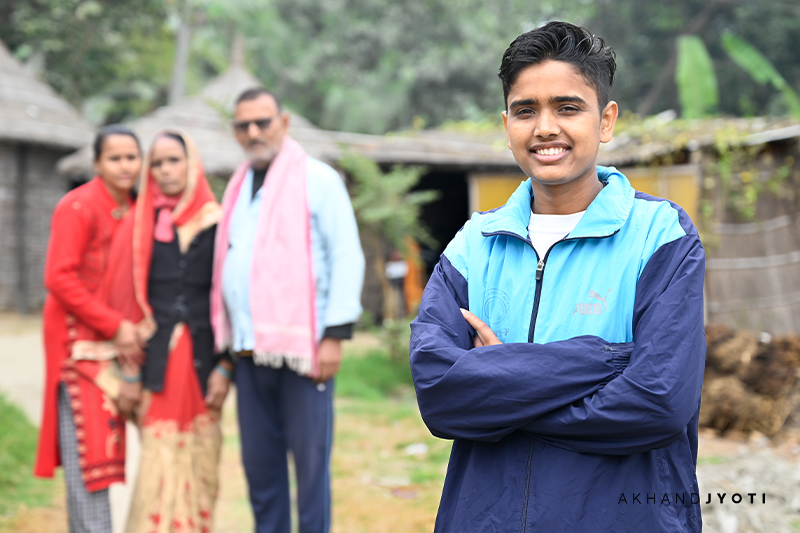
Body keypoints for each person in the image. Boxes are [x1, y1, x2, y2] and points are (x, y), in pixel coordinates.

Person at [410, 21, 706, 532]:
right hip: (487, 517)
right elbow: (439, 394)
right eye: (526, 111)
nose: (545, 127)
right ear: (507, 125)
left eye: (567, 107)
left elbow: (657, 403)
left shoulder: (660, 234)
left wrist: (501, 383)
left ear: (606, 119)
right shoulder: (474, 244)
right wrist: (609, 358)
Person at [210, 88, 365, 533]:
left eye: (263, 122)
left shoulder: (317, 179)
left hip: (305, 351)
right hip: (248, 351)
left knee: (310, 470)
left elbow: (346, 256)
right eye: (244, 125)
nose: (254, 132)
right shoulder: (237, 188)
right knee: (261, 471)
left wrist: (335, 334)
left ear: (284, 122)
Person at [97, 130, 230, 532]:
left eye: (175, 160)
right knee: (159, 457)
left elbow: (233, 299)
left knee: (202, 457)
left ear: (193, 164)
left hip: (205, 364)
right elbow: (122, 301)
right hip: (157, 365)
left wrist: (227, 367)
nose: (166, 170)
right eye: (157, 163)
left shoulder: (219, 222)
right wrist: (131, 372)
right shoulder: (138, 225)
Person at [35, 125, 144, 533]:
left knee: (116, 452)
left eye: (131, 157)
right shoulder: (77, 206)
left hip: (127, 344)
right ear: (97, 163)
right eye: (115, 158)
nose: (124, 165)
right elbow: (59, 277)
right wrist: (114, 324)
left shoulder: (142, 209)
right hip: (78, 344)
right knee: (89, 455)